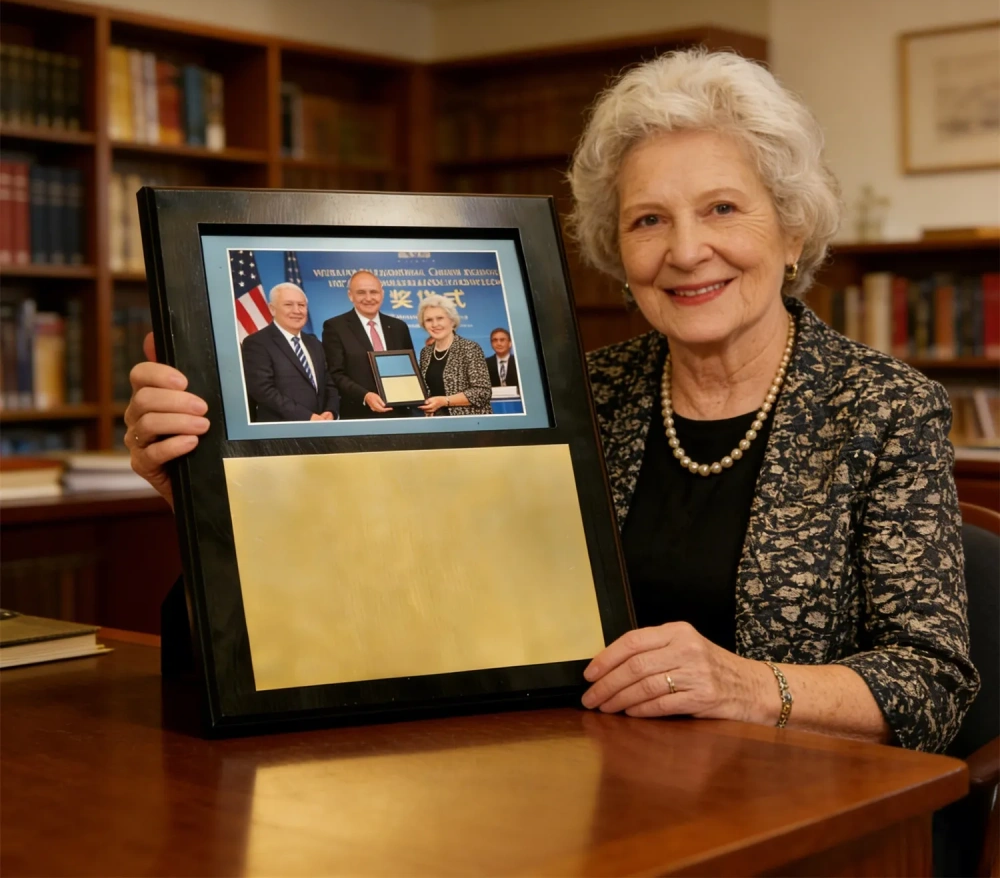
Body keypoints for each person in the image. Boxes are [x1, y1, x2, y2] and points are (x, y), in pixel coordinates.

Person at [123, 49, 976, 753]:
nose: (686, 251)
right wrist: (208, 490)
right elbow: (419, 579)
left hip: (802, 804)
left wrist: (750, 686)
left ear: (791, 231)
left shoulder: (882, 408)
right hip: (583, 783)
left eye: (722, 208)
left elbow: (933, 683)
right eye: (648, 221)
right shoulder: (584, 393)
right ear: (616, 249)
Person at [321, 270, 415, 418]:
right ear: (350, 295)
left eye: (374, 292)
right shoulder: (335, 327)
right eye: (361, 292)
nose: (369, 298)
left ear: (382, 294)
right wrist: (365, 396)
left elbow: (409, 368)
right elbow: (336, 373)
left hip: (400, 414)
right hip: (359, 414)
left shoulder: (398, 327)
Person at [240, 282, 338, 422]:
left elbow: (329, 384)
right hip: (281, 432)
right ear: (272, 309)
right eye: (288, 305)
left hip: (321, 428)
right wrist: (307, 417)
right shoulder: (257, 343)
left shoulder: (314, 343)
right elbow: (262, 390)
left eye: (301, 305)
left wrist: (331, 411)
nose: (297, 311)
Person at [415, 294, 492, 417]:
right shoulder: (426, 353)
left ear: (452, 321)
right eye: (429, 320)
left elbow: (482, 392)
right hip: (436, 423)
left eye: (440, 318)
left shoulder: (470, 348)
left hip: (469, 423)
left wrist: (445, 401)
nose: (435, 324)